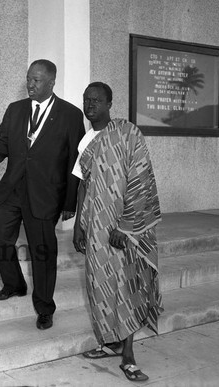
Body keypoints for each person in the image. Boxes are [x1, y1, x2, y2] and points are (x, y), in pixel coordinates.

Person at [0, 59, 85, 330]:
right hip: (12, 189)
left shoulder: (70, 115)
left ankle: (45, 307)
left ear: (51, 83)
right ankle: (14, 284)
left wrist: (70, 203)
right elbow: (4, 144)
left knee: (43, 253)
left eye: (36, 80)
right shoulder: (16, 109)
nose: (30, 85)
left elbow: (75, 160)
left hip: (46, 195)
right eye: (28, 79)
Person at [72, 82, 163, 381]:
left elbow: (141, 180)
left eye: (97, 100)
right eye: (86, 100)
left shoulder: (127, 134)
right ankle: (109, 342)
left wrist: (125, 226)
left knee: (126, 286)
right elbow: (84, 184)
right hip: (96, 228)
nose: (90, 105)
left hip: (125, 228)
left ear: (110, 103)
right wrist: (78, 225)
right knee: (100, 286)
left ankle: (129, 355)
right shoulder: (86, 142)